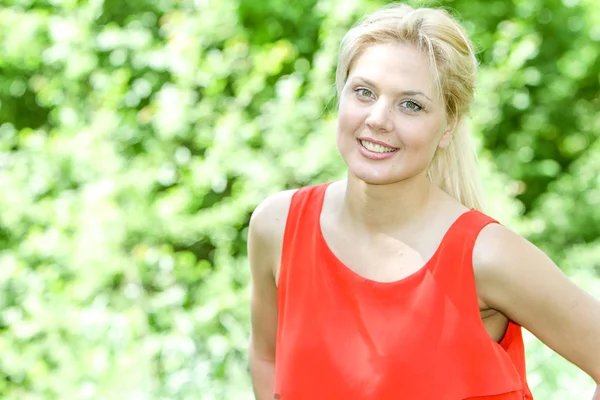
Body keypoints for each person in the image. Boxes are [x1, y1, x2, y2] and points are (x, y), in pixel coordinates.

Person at [247, 3, 600, 399]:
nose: (378, 118)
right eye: (364, 92)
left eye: (410, 104)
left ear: (448, 127)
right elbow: (266, 358)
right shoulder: (277, 226)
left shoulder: (486, 256)